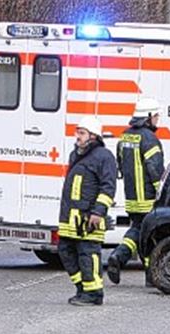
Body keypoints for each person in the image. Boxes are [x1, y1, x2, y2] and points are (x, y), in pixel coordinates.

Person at [57, 116, 117, 306]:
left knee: (88, 255)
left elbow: (108, 188)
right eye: (77, 132)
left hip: (89, 217)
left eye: (81, 133)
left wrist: (98, 212)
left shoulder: (104, 157)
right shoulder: (76, 155)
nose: (78, 137)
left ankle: (94, 293)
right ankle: (82, 287)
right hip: (70, 217)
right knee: (65, 250)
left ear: (93, 136)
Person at [106, 98, 164, 285]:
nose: (157, 120)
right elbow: (155, 170)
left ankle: (124, 258)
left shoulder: (125, 136)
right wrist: (161, 193)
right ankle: (145, 272)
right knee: (150, 235)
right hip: (147, 199)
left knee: (138, 230)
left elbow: (121, 165)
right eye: (155, 116)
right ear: (148, 117)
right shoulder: (149, 139)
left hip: (131, 198)